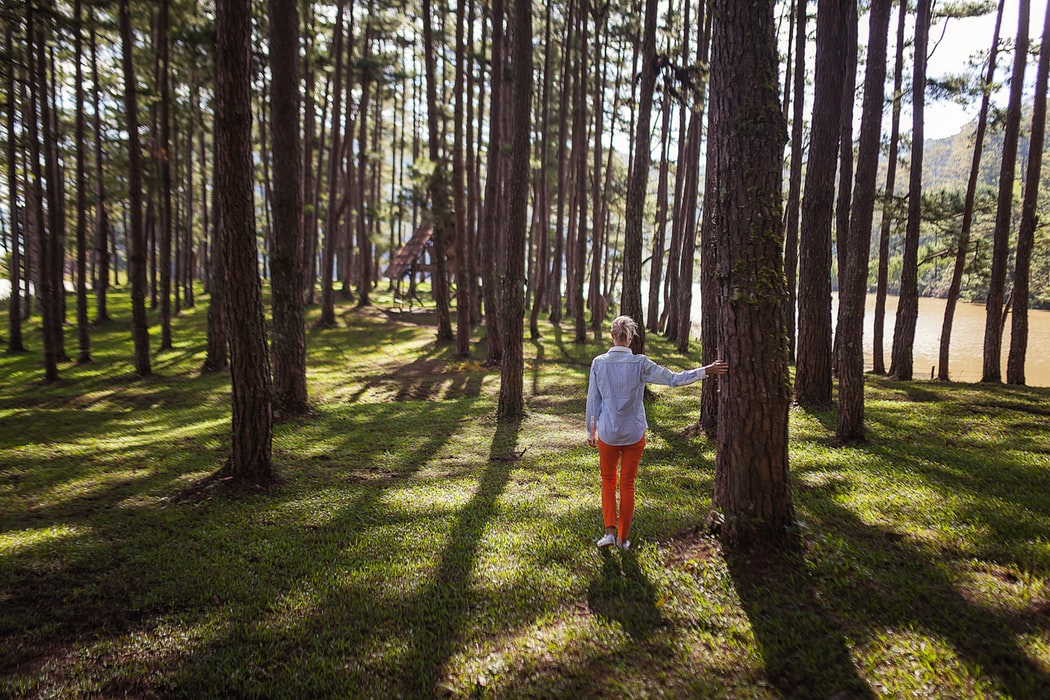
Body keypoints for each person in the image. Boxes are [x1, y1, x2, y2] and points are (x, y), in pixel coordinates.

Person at [585, 315, 728, 550]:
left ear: (612, 337)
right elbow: (673, 379)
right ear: (630, 338)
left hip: (608, 434)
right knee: (627, 484)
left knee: (608, 482)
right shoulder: (640, 363)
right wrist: (706, 370)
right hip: (634, 434)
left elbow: (593, 400)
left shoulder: (598, 363)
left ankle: (609, 533)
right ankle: (622, 539)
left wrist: (591, 431)